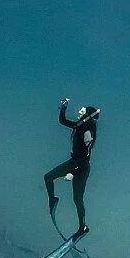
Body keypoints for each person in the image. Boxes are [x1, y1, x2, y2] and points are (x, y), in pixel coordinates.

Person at [44, 99, 100, 239]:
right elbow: (63, 121)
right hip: (76, 163)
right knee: (49, 178)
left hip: (80, 166)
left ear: (87, 115)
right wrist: (63, 108)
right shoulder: (81, 125)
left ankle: (82, 227)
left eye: (83, 111)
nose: (80, 112)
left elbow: (85, 152)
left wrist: (72, 171)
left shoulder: (88, 129)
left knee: (77, 198)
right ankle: (53, 200)